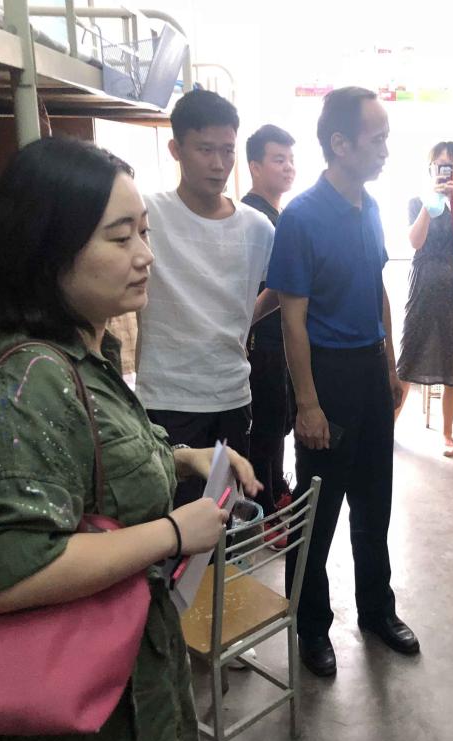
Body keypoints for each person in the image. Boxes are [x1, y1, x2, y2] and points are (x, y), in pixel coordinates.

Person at [0, 136, 261, 741]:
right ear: (48, 248)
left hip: (133, 672)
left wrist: (183, 457)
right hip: (81, 711)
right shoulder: (33, 380)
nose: (145, 256)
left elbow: (95, 465)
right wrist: (174, 532)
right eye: (120, 238)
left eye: (144, 232)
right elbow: (9, 573)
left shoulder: (87, 352)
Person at [267, 86, 419, 677]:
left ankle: (377, 611)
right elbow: (292, 322)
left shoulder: (371, 206)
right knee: (318, 512)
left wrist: (390, 366)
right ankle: (311, 627)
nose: (385, 149)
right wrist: (308, 406)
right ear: (340, 143)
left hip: (369, 370)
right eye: (376, 139)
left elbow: (378, 289)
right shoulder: (302, 217)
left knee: (375, 503)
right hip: (325, 375)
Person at [137, 90, 277, 508]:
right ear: (176, 149)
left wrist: (244, 318)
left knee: (227, 514)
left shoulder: (258, 228)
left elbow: (283, 288)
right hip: (165, 397)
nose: (218, 163)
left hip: (232, 395)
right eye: (205, 149)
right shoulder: (147, 215)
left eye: (227, 150)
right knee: (174, 518)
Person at [395, 140, 453, 457]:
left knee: (452, 360)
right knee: (408, 355)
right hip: (421, 284)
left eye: (452, 165)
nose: (445, 170)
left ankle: (447, 433)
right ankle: (389, 425)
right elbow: (415, 241)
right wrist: (431, 204)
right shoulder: (418, 201)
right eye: (440, 165)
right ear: (431, 168)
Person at [241, 124, 297, 539]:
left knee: (278, 419)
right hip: (259, 338)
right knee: (266, 423)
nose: (288, 167)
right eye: (279, 159)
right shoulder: (249, 217)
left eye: (291, 159)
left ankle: (276, 487)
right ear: (255, 166)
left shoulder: (277, 215)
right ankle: (264, 509)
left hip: (281, 337)